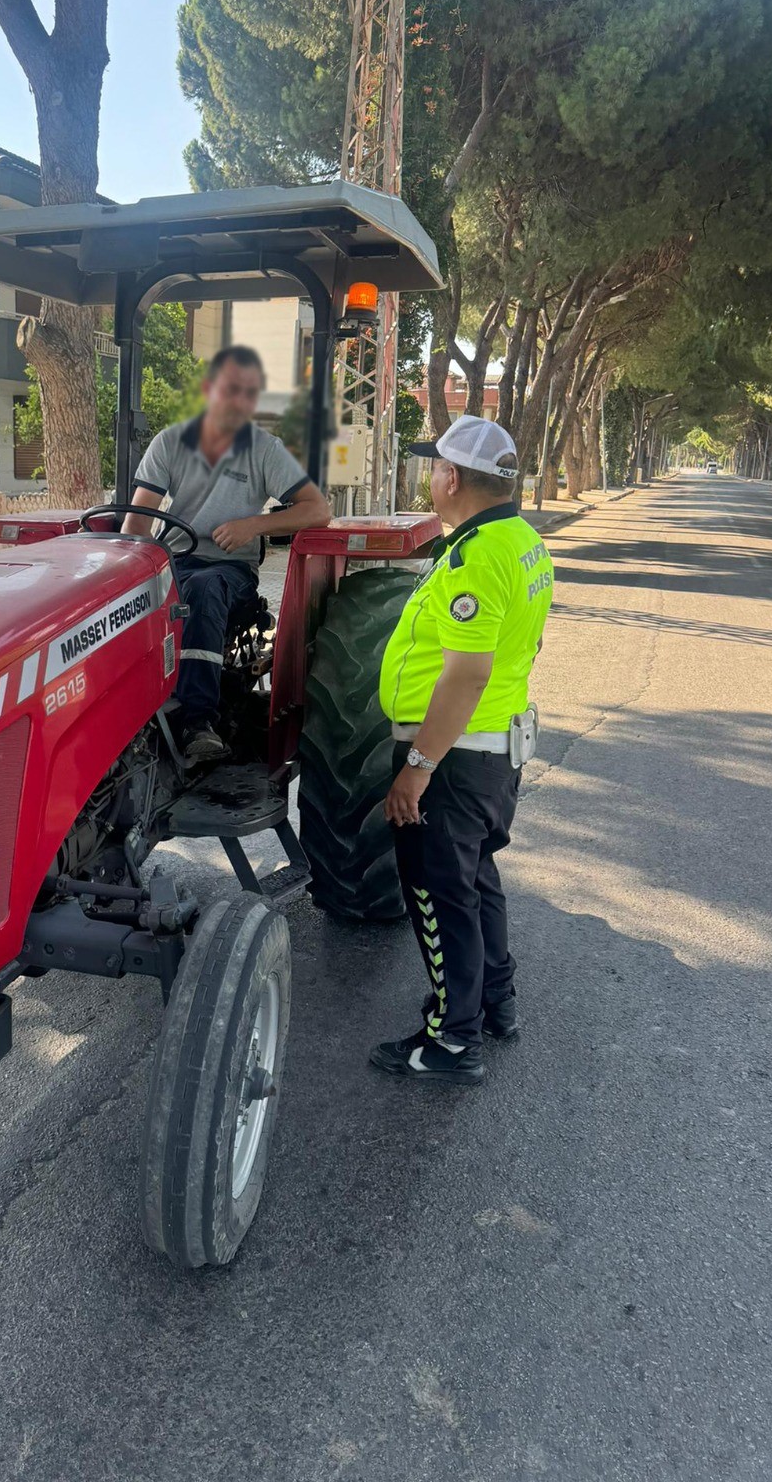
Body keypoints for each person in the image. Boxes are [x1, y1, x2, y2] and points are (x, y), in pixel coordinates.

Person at [369, 414, 553, 1086]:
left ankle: (452, 1040)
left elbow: (468, 671)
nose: (429, 478)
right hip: (492, 750)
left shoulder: (478, 556)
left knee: (438, 894)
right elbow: (523, 647)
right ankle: (495, 1000)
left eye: (433, 467)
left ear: (451, 477)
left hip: (452, 757)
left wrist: (418, 769)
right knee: (475, 881)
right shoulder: (522, 541)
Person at [123, 344, 331, 762]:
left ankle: (197, 719)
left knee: (204, 587)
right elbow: (137, 524)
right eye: (231, 389)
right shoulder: (171, 443)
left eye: (249, 393)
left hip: (230, 572)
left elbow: (318, 510)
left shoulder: (263, 449)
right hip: (175, 563)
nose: (239, 401)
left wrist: (253, 525)